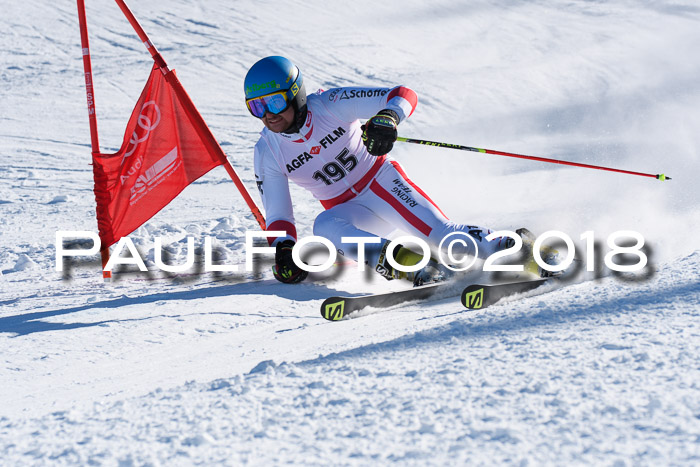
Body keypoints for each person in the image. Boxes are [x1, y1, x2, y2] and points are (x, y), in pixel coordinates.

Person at [244, 56, 516, 285]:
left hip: (382, 185)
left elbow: (403, 95)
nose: (269, 114)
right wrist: (283, 250)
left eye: (275, 102)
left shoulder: (330, 104)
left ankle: (510, 247)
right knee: (324, 225)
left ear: (296, 94)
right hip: (351, 212)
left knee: (442, 235)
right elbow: (279, 215)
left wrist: (388, 117)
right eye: (257, 106)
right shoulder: (268, 150)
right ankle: (413, 266)